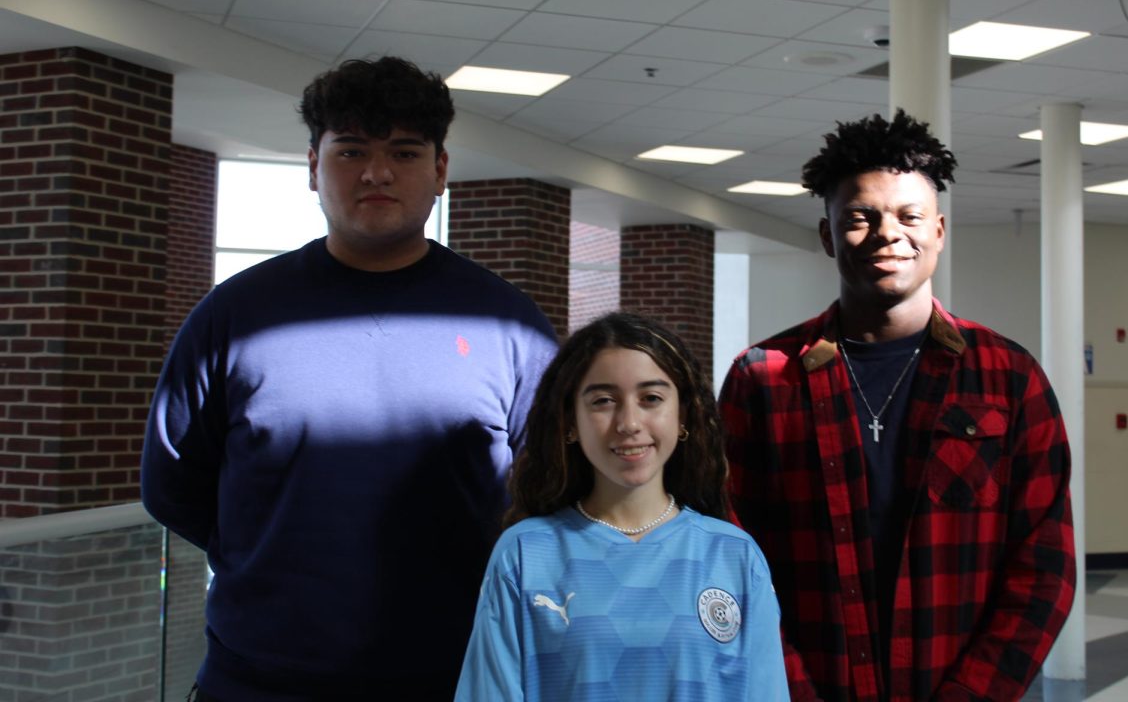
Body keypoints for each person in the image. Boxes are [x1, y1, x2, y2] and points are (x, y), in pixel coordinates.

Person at [141, 56, 558, 701]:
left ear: (441, 170)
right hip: (258, 680)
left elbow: (549, 491)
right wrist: (268, 555)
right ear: (313, 166)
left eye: (406, 152)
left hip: (457, 679)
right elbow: (172, 483)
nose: (377, 172)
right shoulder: (235, 315)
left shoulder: (510, 327)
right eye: (351, 150)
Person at [718, 111, 1076, 702]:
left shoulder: (1008, 378)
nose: (889, 233)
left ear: (938, 230)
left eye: (910, 216)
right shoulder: (763, 379)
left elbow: (1045, 564)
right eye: (861, 218)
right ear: (828, 235)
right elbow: (730, 561)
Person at [455, 312, 788, 701]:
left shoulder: (735, 556)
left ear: (683, 416)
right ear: (569, 422)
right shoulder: (524, 555)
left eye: (651, 398)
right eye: (603, 401)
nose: (629, 422)